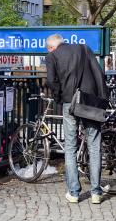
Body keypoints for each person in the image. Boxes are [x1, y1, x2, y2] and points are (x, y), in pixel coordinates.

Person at [45, 34, 108, 204]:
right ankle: (96, 192)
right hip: (90, 102)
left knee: (70, 147)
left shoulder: (52, 56)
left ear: (51, 47)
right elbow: (99, 73)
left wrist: (59, 97)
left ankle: (74, 192)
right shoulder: (84, 48)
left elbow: (51, 81)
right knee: (94, 145)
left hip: (70, 103)